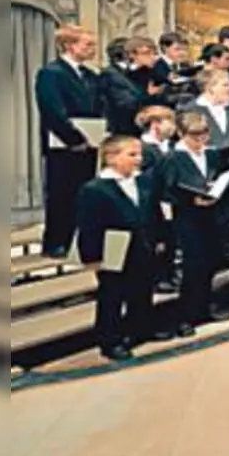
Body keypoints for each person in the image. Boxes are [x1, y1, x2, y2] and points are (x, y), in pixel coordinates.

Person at [74, 136, 163, 360]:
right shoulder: (94, 189)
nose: (139, 159)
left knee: (142, 290)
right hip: (113, 249)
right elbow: (89, 226)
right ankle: (110, 340)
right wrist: (92, 257)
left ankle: (140, 329)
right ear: (111, 157)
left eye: (139, 154)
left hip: (143, 243)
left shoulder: (143, 182)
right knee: (112, 295)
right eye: (132, 155)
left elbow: (153, 212)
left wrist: (161, 238)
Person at [158, 111, 229, 336]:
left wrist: (215, 189)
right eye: (194, 136)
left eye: (204, 135)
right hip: (187, 219)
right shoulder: (172, 158)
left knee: (210, 263)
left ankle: (204, 307)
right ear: (181, 134)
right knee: (193, 268)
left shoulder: (212, 154)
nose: (200, 140)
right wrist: (191, 199)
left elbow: (219, 177)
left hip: (211, 215)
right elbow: (166, 191)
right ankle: (185, 316)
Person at [35, 25, 103, 259]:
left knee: (85, 194)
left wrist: (96, 135)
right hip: (63, 145)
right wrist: (75, 138)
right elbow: (52, 110)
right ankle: (56, 242)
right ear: (69, 46)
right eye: (88, 44)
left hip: (91, 142)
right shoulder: (51, 73)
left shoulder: (91, 75)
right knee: (61, 194)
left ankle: (80, 241)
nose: (93, 49)